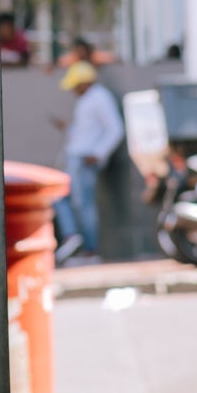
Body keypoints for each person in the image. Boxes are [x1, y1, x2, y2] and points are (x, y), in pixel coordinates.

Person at [53, 60, 125, 263]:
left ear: (84, 82)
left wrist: (99, 153)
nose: (73, 90)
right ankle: (74, 239)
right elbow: (85, 133)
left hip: (85, 159)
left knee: (82, 204)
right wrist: (68, 128)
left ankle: (88, 250)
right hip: (78, 157)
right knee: (65, 199)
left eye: (75, 85)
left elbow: (115, 129)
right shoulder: (87, 99)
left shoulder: (99, 98)